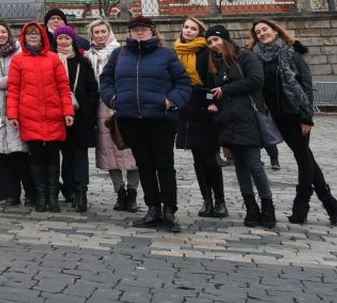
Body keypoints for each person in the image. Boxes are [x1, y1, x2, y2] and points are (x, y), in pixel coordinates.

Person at [99, 15, 192, 233]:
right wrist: (113, 99)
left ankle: (169, 209)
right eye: (135, 29)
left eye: (143, 28)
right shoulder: (119, 54)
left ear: (152, 31)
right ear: (129, 33)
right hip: (131, 118)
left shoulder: (166, 54)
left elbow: (183, 82)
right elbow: (106, 80)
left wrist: (171, 101)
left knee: (165, 165)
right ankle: (152, 208)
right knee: (145, 165)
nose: (139, 32)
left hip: (162, 118)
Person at [251, 18, 337, 225]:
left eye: (265, 29)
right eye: (258, 32)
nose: (262, 34)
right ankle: (330, 204)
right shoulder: (256, 56)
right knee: (305, 156)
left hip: (296, 113)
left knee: (303, 157)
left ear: (275, 30)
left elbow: (306, 85)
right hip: (277, 117)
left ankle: (301, 204)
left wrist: (306, 117)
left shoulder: (291, 52)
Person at [202, 24, 275, 228]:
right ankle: (251, 206)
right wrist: (210, 104)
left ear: (225, 39)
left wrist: (225, 90)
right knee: (240, 166)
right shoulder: (214, 63)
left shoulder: (244, 56)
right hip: (226, 119)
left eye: (216, 40)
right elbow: (210, 90)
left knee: (254, 164)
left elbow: (256, 80)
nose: (214, 45)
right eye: (210, 42)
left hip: (248, 116)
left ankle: (267, 205)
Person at [6, 21, 74, 213]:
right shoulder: (18, 60)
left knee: (53, 157)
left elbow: (63, 87)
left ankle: (53, 196)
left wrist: (68, 111)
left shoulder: (53, 59)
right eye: (30, 34)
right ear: (24, 37)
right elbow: (13, 89)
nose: (33, 36)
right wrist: (12, 113)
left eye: (37, 33)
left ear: (43, 36)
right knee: (36, 157)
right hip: (30, 115)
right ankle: (41, 196)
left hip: (53, 114)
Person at [85, 20, 140, 212]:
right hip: (100, 105)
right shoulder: (88, 55)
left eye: (103, 31)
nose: (99, 35)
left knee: (131, 150)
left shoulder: (122, 52)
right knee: (108, 151)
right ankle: (120, 192)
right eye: (96, 32)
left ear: (109, 32)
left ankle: (132, 192)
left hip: (122, 103)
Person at [174, 17, 226, 218]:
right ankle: (207, 200)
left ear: (200, 32)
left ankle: (220, 200)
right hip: (186, 108)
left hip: (206, 107)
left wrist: (212, 101)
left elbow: (213, 78)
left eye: (193, 28)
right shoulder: (177, 50)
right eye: (186, 27)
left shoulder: (206, 52)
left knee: (210, 157)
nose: (188, 30)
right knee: (197, 158)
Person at [0, 22, 34, 207]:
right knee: (0, 153)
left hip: (17, 107)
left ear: (9, 33)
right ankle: (9, 194)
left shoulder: (19, 50)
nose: (0, 35)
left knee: (19, 151)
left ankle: (30, 192)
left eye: (3, 31)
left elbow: (19, 76)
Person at [54, 24, 97, 212]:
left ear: (73, 40)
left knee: (80, 155)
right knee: (66, 155)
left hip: (80, 115)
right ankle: (69, 188)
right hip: (58, 115)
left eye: (67, 38)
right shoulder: (51, 60)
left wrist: (88, 109)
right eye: (60, 38)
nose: (63, 42)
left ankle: (81, 192)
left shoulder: (83, 62)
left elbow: (92, 89)